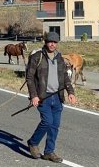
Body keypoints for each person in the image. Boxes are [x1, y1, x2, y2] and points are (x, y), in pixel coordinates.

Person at [25, 31, 77, 163]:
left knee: (54, 125)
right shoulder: (37, 57)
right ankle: (33, 142)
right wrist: (34, 96)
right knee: (47, 121)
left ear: (57, 44)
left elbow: (65, 77)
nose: (52, 44)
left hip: (57, 97)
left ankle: (49, 152)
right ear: (46, 42)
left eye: (54, 42)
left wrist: (70, 92)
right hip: (43, 97)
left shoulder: (60, 58)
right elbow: (30, 78)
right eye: (50, 42)